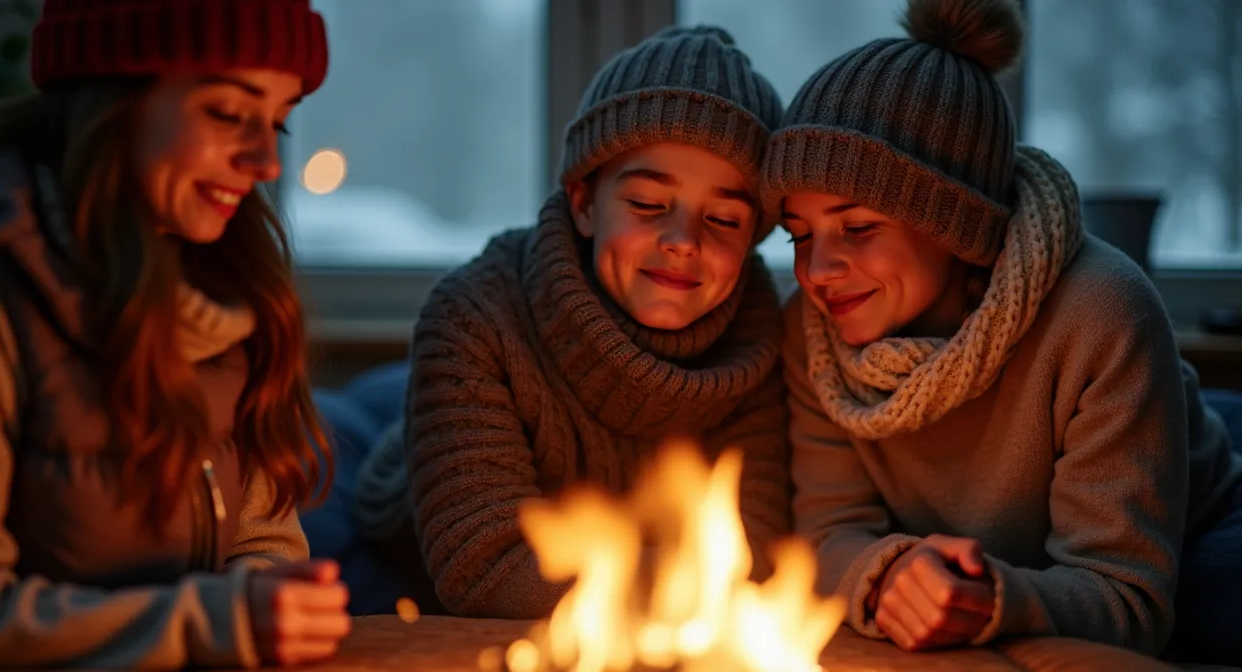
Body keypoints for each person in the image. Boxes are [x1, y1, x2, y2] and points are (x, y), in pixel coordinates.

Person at [767, 0, 1242, 662]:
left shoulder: (1102, 312)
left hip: (1192, 511)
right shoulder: (812, 331)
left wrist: (998, 600)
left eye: (859, 227)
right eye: (798, 234)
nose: (816, 271)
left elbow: (1127, 597)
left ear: (957, 223)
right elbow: (827, 535)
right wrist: (887, 574)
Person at [0, 0, 352, 667]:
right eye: (226, 113)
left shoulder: (231, 288)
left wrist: (271, 595)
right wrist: (213, 623)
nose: (268, 160)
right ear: (114, 99)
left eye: (280, 122)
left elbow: (262, 543)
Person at [353, 25, 792, 618]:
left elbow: (760, 557)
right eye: (647, 205)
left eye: (723, 220)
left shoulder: (760, 342)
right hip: (400, 517)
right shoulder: (472, 317)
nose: (683, 240)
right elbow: (485, 570)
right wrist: (687, 576)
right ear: (584, 202)